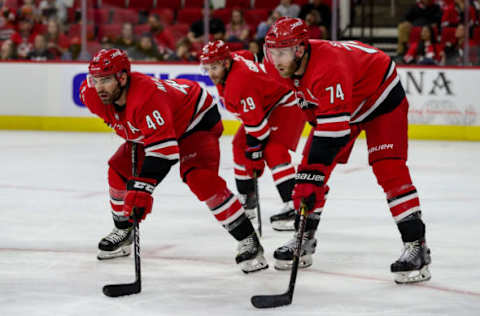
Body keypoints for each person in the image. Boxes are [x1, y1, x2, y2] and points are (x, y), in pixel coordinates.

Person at [263, 17, 431, 284]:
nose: (275, 58)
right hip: (343, 102)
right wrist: (311, 174)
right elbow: (317, 116)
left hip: (380, 97)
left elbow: (333, 133)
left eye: (281, 52)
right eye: (271, 51)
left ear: (300, 50)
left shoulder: (327, 68)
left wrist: (312, 177)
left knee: (389, 169)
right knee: (308, 170)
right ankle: (304, 237)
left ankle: (416, 246)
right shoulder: (276, 66)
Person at [79, 49, 268, 273]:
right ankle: (124, 231)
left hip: (195, 120)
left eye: (106, 80)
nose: (99, 87)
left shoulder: (146, 97)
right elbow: (141, 131)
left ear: (122, 77)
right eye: (96, 80)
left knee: (201, 179)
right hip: (159, 124)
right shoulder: (91, 95)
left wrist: (142, 188)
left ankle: (249, 241)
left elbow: (164, 153)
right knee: (118, 171)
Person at [200, 40, 306, 232]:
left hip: (286, 105)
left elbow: (259, 130)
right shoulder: (233, 60)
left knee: (274, 151)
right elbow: (250, 56)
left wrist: (255, 151)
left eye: (213, 67)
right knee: (238, 143)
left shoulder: (238, 84)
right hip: (266, 107)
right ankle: (248, 199)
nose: (210, 73)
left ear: (225, 63)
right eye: (207, 68)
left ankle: (293, 205)